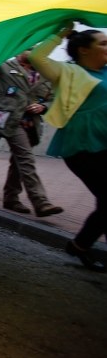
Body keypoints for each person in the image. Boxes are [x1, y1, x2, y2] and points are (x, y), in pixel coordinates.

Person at [29, 25, 107, 272]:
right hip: (82, 147)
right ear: (84, 50)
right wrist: (61, 32)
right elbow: (36, 57)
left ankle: (80, 245)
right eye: (102, 43)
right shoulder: (68, 72)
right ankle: (80, 245)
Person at [0, 48, 63, 217]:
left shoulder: (45, 74)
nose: (33, 50)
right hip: (11, 122)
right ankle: (40, 202)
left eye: (36, 48)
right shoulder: (4, 67)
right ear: (20, 49)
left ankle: (10, 198)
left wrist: (43, 107)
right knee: (26, 159)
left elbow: (53, 100)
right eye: (29, 47)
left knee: (18, 162)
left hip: (32, 125)